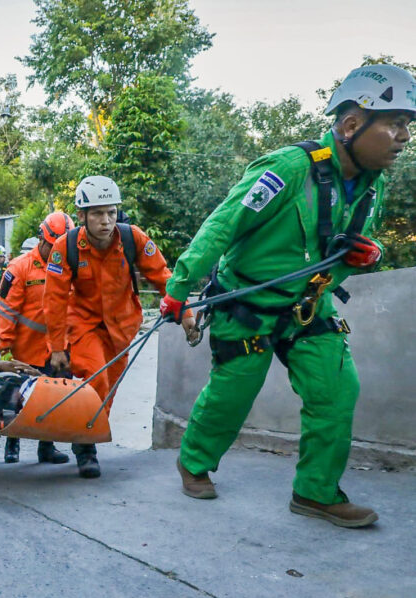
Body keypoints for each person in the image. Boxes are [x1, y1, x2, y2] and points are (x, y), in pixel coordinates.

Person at [159, 64, 415, 528]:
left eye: (407, 126)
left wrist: (370, 253)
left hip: (309, 307)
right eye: (395, 123)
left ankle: (316, 492)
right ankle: (193, 462)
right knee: (233, 393)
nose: (404, 137)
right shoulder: (288, 169)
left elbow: (346, 245)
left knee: (337, 390)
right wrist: (178, 290)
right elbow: (223, 225)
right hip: (247, 305)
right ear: (351, 124)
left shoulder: (372, 187)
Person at [43, 176, 192, 478]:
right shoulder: (65, 247)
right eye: (97, 213)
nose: (106, 220)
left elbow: (163, 276)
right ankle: (86, 448)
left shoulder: (132, 239)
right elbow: (54, 300)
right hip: (84, 325)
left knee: (108, 390)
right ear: (82, 215)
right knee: (95, 378)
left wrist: (186, 313)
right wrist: (57, 348)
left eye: (111, 212)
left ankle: (87, 434)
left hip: (122, 329)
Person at [0, 212, 74, 465]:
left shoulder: (70, 266)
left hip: (59, 348)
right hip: (25, 348)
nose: (58, 251)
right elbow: (6, 309)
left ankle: (46, 446)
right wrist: (5, 345)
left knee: (54, 398)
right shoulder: (20, 267)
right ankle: (12, 441)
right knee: (16, 396)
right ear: (42, 239)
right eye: (53, 245)